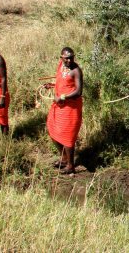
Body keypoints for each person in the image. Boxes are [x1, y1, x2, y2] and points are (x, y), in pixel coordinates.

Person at [43, 47, 84, 175]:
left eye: (71, 57)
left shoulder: (76, 71)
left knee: (68, 136)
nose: (69, 60)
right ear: (61, 58)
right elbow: (62, 82)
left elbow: (78, 91)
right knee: (52, 130)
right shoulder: (61, 65)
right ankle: (64, 158)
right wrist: (52, 85)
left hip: (70, 107)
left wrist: (62, 97)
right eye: (66, 58)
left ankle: (71, 165)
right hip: (59, 105)